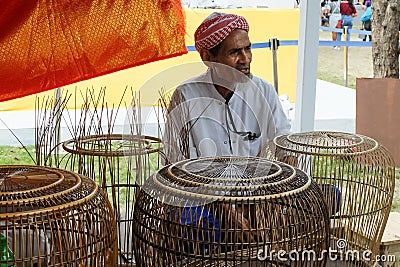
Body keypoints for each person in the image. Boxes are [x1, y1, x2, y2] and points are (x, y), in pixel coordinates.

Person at [162, 12, 291, 164]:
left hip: (253, 187)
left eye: (247, 49)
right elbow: (172, 160)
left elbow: (284, 145)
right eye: (234, 52)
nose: (245, 59)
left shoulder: (264, 91)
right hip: (200, 188)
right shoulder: (186, 96)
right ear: (208, 58)